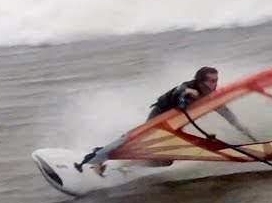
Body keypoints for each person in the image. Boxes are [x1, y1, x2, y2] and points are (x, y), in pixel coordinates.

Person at [75, 66, 257, 176]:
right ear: (200, 81)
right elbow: (180, 92)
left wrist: (242, 128)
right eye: (211, 81)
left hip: (175, 123)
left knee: (166, 160)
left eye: (216, 80)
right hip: (160, 115)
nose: (215, 84)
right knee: (139, 140)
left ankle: (125, 165)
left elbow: (226, 113)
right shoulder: (188, 87)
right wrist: (187, 93)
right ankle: (97, 158)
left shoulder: (211, 96)